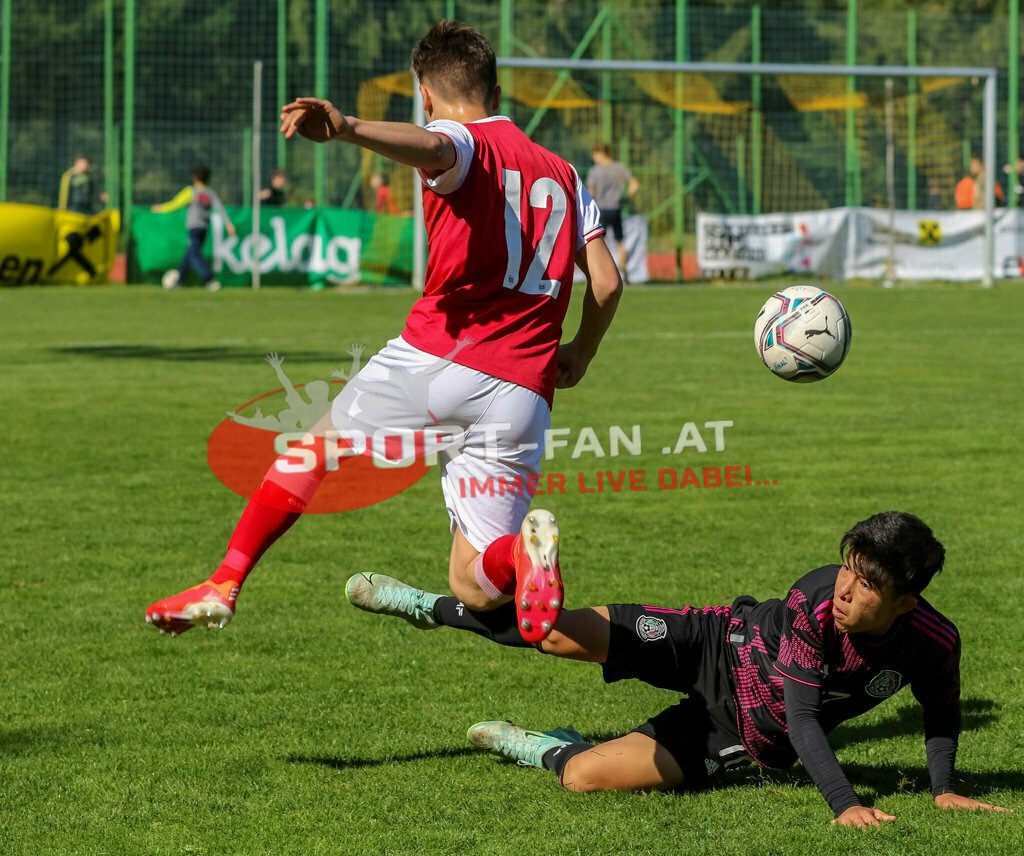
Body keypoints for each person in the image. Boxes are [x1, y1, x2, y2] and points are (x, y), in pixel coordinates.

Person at [144, 21, 622, 644]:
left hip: (439, 356)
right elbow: (608, 284)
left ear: (425, 92)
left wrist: (348, 129)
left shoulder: (456, 136)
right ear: (498, 91)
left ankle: (223, 584)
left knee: (311, 451)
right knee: (477, 584)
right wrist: (580, 353)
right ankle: (524, 557)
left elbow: (436, 149)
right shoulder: (565, 173)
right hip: (521, 392)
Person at [346, 511, 1012, 828]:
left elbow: (941, 712)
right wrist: (845, 805)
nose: (844, 588)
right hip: (711, 641)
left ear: (903, 599)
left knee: (584, 778)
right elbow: (811, 718)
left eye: (865, 584)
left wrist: (944, 787)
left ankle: (541, 745)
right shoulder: (816, 599)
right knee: (550, 632)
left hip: (740, 731)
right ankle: (430, 605)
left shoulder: (933, 643)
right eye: (847, 568)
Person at [151, 165, 236, 291]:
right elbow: (220, 208)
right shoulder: (210, 193)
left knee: (194, 254)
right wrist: (228, 223)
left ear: (195, 178)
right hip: (204, 228)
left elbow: (175, 203)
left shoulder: (191, 191)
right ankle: (179, 282)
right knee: (189, 254)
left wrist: (160, 208)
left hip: (193, 227)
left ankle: (209, 279)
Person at [586, 143, 638, 276]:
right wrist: (627, 198)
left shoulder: (595, 170)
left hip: (601, 209)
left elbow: (590, 192)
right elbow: (634, 184)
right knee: (620, 242)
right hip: (616, 208)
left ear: (599, 154)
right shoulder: (620, 167)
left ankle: (604, 274)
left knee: (601, 243)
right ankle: (624, 273)